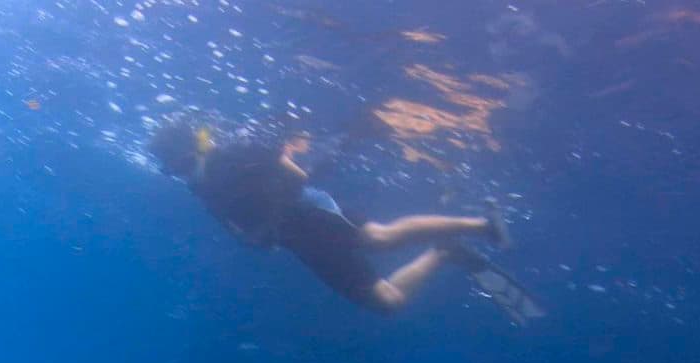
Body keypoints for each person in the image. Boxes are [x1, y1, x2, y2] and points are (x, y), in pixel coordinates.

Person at [147, 119, 537, 320]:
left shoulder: (234, 154)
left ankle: (484, 227)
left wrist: (270, 219)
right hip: (300, 242)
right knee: (386, 303)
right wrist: (258, 235)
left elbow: (297, 176)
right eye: (170, 168)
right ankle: (445, 252)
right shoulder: (205, 190)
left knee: (382, 239)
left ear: (183, 152)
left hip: (312, 214)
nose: (176, 172)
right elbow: (244, 236)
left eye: (173, 163)